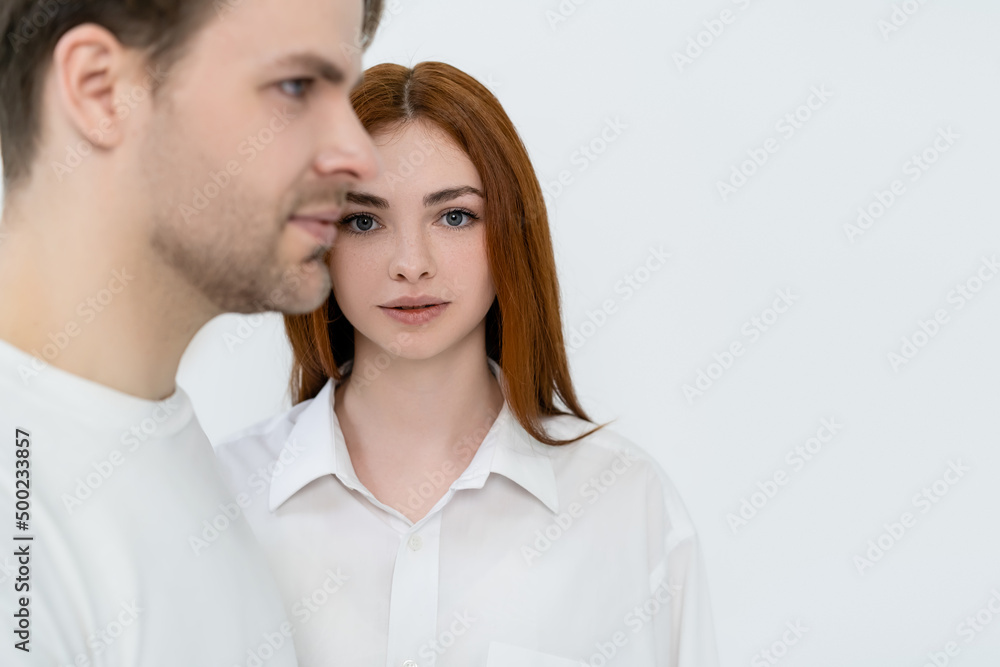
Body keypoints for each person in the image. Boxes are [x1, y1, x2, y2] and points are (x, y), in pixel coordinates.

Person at [214, 61, 721, 667]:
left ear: (509, 231)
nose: (411, 263)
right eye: (363, 220)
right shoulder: (218, 498)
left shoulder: (624, 505)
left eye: (454, 216)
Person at [0, 0, 383, 664]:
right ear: (100, 90)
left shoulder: (165, 447)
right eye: (296, 86)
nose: (358, 155)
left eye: (345, 92)